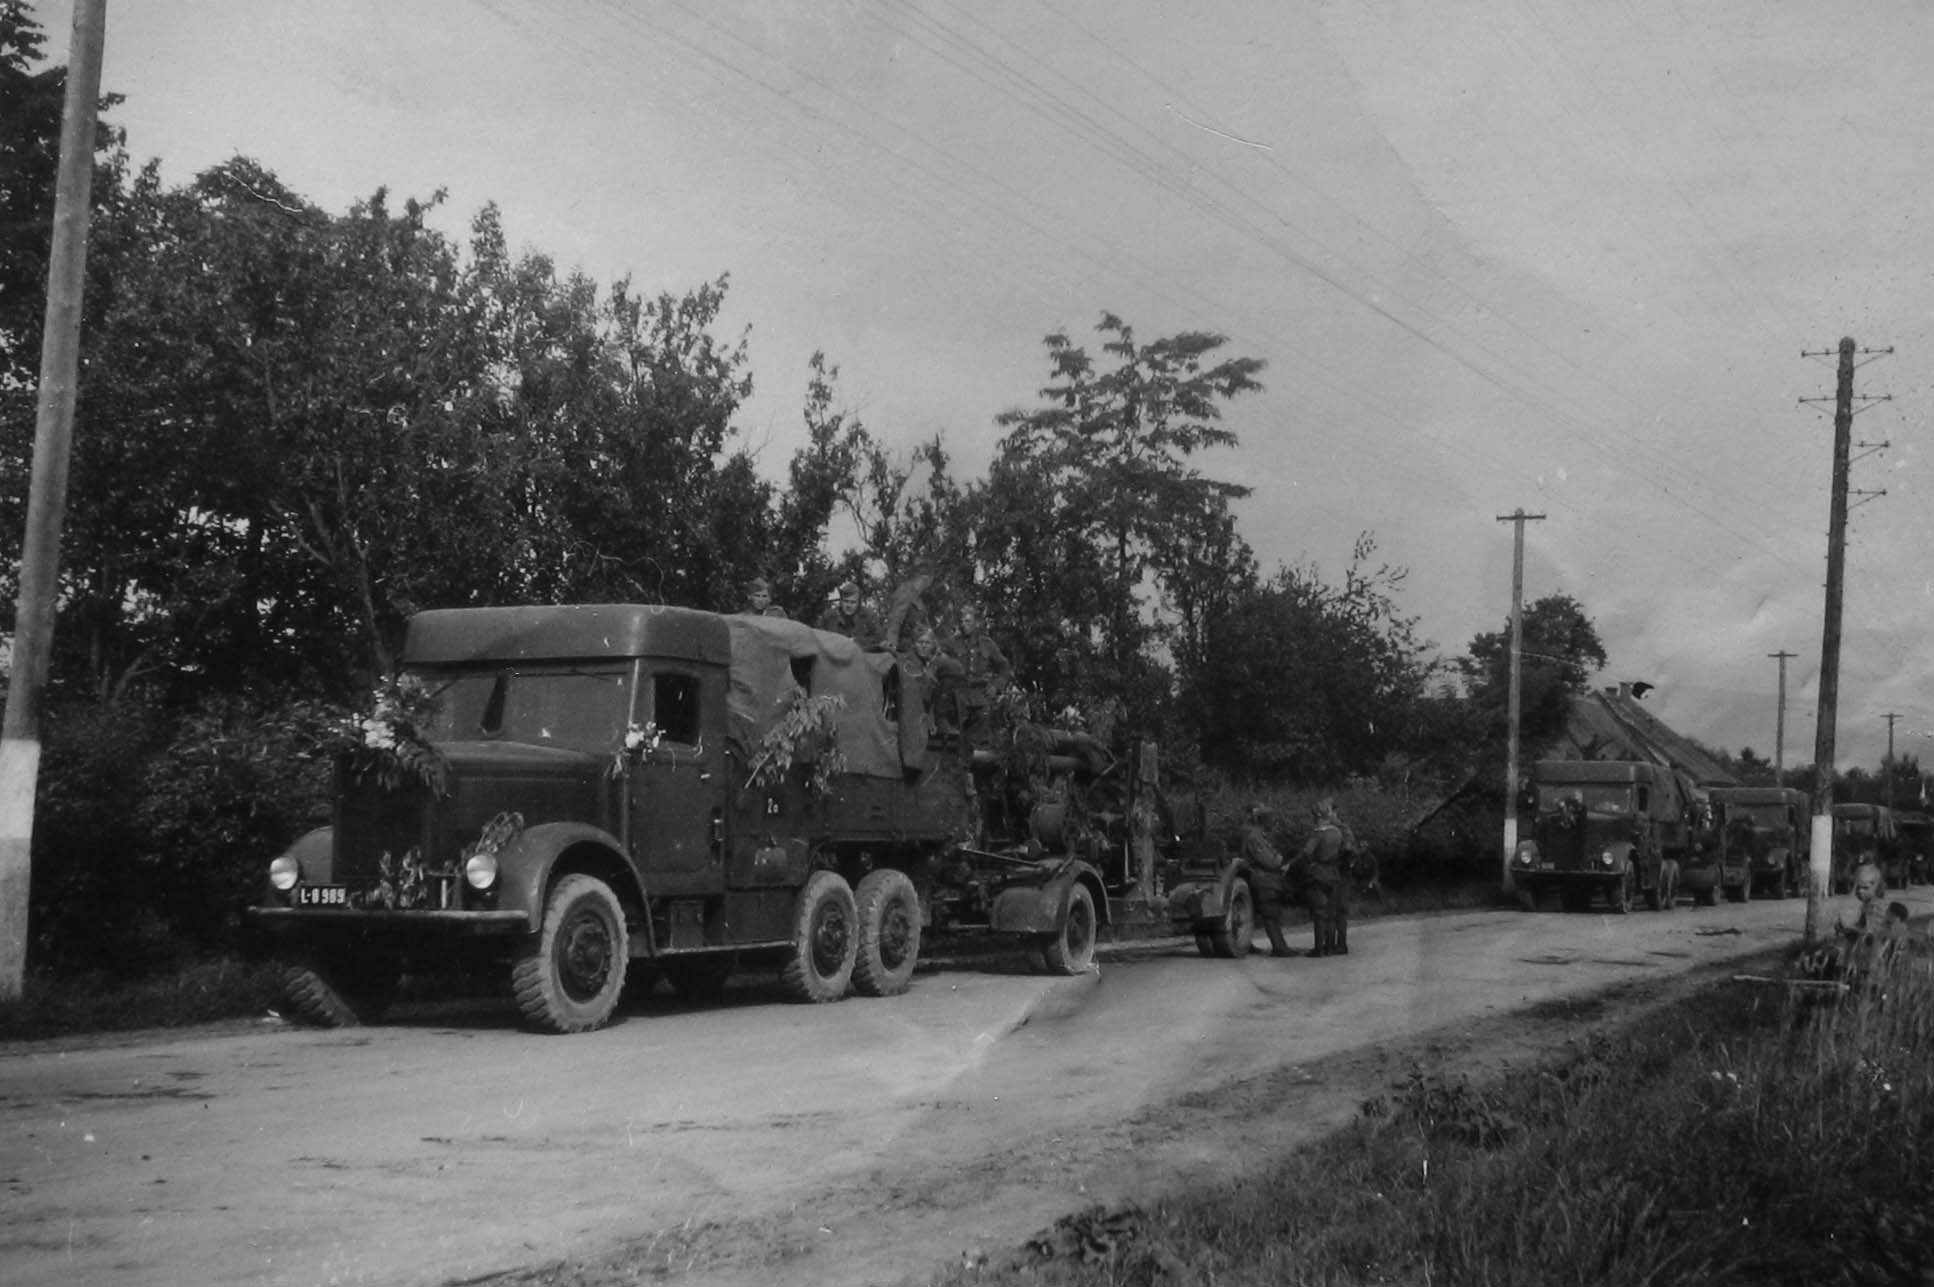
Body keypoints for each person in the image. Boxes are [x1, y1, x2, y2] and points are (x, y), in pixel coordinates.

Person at [943, 604, 1012, 750]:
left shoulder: (987, 644)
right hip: (957, 695)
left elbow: (1004, 667)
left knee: (984, 726)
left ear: (976, 623)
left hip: (981, 695)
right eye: (961, 621)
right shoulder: (951, 643)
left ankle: (973, 761)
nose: (963, 624)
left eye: (968, 621)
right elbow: (934, 656)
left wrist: (995, 686)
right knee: (955, 734)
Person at [1296, 797, 1359, 957]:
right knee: (1333, 911)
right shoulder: (1336, 829)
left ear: (1334, 812)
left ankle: (1336, 945)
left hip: (1339, 873)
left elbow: (1348, 850)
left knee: (1337, 910)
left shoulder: (1339, 829)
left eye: (1329, 810)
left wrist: (1338, 863)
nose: (1327, 813)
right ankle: (1332, 945)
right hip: (1336, 873)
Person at [1240, 803, 1294, 957]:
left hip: (1268, 879)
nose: (1274, 822)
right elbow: (1270, 861)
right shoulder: (1255, 837)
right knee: (1270, 915)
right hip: (1263, 879)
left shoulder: (1261, 835)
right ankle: (1279, 948)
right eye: (1272, 819)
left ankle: (1280, 947)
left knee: (1273, 914)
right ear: (1264, 820)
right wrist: (1279, 859)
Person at [815, 580, 885, 648]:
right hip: (833, 654)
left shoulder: (868, 616)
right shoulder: (829, 616)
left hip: (860, 655)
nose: (848, 605)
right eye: (846, 601)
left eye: (853, 602)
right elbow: (817, 637)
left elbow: (879, 637)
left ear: (858, 603)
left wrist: (856, 641)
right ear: (841, 601)